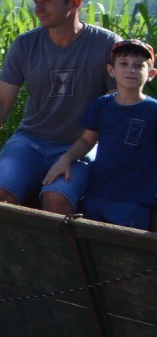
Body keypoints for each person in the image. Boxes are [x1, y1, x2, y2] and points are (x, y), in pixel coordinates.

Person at [0, 0, 119, 213]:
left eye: (47, 1)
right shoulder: (25, 44)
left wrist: (88, 157)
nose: (38, 9)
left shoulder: (106, 44)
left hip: (80, 145)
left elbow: (117, 107)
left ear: (75, 3)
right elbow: (0, 101)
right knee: (0, 196)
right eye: (36, 2)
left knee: (55, 199)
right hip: (29, 141)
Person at [41, 39, 157, 230]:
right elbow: (87, 140)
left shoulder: (153, 110)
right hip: (98, 192)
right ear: (111, 70)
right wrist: (66, 158)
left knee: (125, 251)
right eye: (124, 64)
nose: (131, 70)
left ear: (151, 74)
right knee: (91, 243)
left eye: (139, 65)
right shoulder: (102, 105)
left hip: (134, 198)